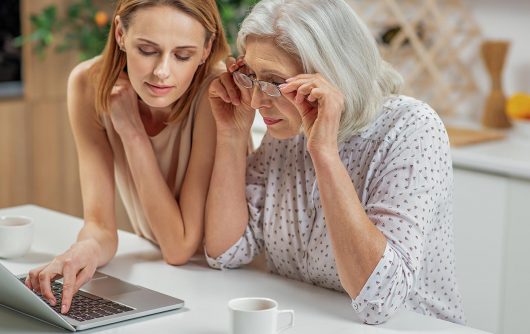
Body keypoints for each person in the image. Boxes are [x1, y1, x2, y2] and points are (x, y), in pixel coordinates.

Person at [205, 0, 465, 325]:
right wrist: (232, 134)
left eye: (273, 82)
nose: (257, 101)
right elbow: (225, 252)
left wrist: (325, 153)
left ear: (330, 76)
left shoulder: (410, 127)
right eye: (252, 77)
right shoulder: (287, 130)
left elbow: (379, 300)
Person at [25, 0, 229, 314]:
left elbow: (179, 247)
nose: (162, 72)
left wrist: (131, 131)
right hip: (169, 277)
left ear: (206, 49)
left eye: (183, 55)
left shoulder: (216, 91)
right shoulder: (87, 85)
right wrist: (83, 251)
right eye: (147, 50)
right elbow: (100, 226)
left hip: (228, 281)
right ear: (120, 33)